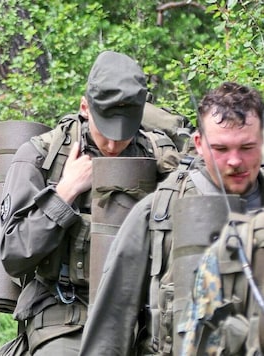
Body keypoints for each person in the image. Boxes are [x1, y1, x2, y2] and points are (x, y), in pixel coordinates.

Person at [0, 51, 179, 356]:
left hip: (143, 315)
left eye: (123, 135)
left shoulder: (159, 158)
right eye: (106, 132)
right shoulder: (41, 157)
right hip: (66, 312)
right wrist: (64, 193)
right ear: (85, 107)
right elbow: (13, 255)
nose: (114, 145)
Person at [79, 82, 264, 355]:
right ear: (199, 144)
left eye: (246, 147)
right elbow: (110, 326)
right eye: (221, 149)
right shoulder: (157, 212)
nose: (235, 161)